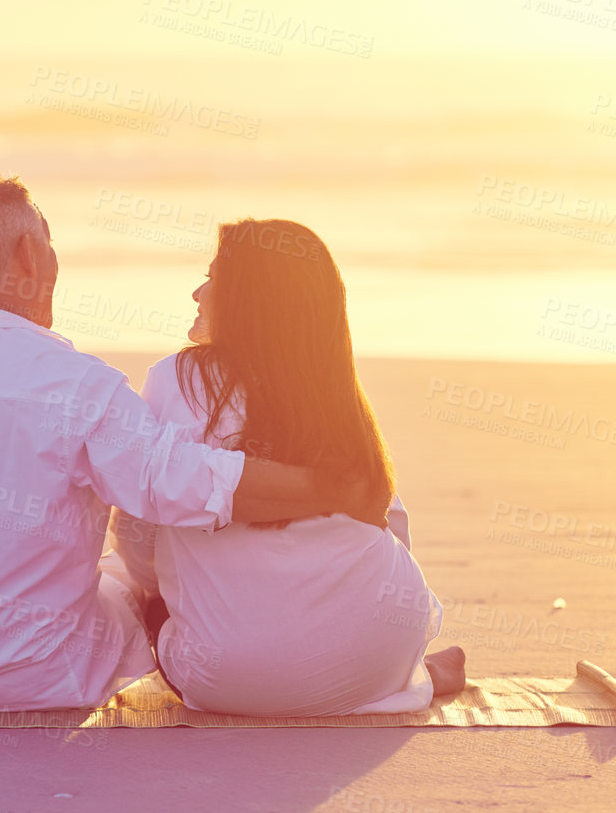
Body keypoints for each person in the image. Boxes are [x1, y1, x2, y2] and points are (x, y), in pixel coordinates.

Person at [0, 177, 382, 712]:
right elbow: (177, 483)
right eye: (49, 244)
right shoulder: (77, 385)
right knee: (131, 582)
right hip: (29, 680)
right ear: (29, 254)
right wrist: (331, 487)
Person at [111, 218, 466, 716]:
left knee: (135, 587)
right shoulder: (332, 393)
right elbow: (392, 523)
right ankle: (415, 671)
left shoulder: (178, 379)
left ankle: (410, 669)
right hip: (378, 653)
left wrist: (158, 591)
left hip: (229, 677)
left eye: (214, 278)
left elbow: (136, 527)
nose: (198, 291)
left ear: (248, 301)